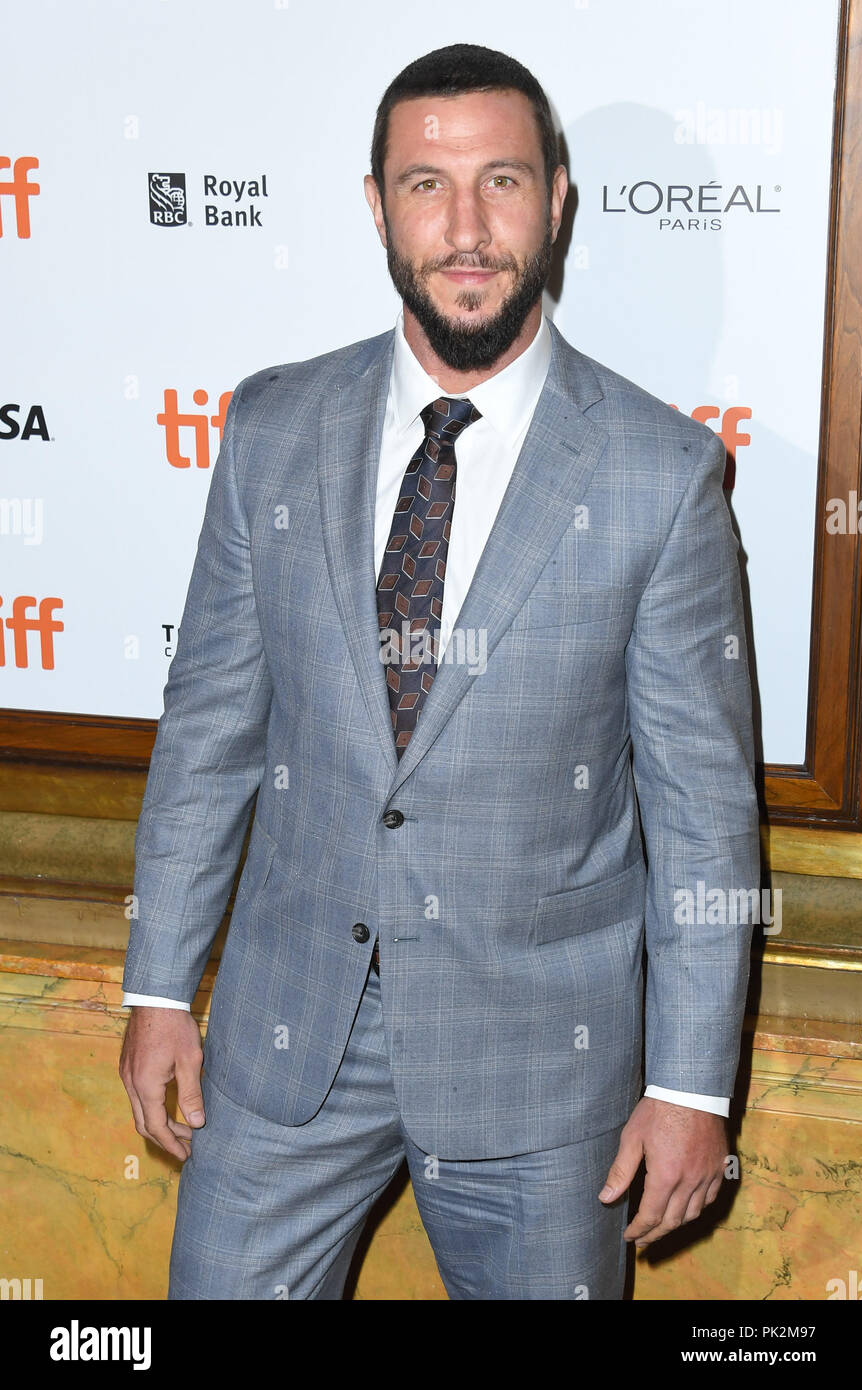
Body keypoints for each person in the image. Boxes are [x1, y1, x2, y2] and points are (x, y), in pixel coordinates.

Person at [119, 43, 760, 1301]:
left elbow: (701, 814)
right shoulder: (269, 427)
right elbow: (208, 730)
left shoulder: (658, 473)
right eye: (425, 184)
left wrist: (688, 1085)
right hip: (286, 1031)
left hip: (538, 1064)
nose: (464, 229)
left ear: (558, 199)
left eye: (501, 182)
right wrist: (156, 983)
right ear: (376, 205)